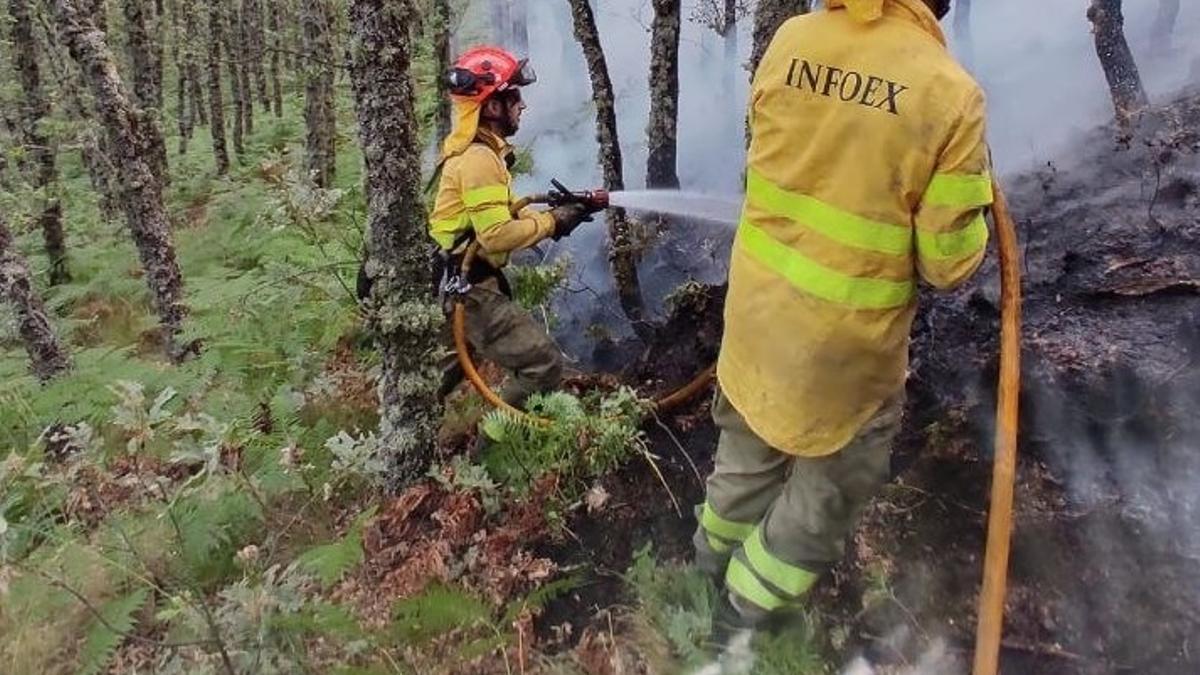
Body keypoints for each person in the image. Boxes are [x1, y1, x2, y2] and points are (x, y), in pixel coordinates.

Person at [695, 0, 992, 644]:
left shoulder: (791, 39)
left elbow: (768, 163)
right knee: (826, 492)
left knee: (742, 460)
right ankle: (739, 618)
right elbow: (946, 265)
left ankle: (704, 568)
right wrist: (976, 204)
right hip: (845, 355)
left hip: (755, 316)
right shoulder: (951, 94)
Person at [430, 47, 593, 408]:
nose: (522, 105)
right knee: (543, 364)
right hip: (469, 291)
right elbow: (496, 234)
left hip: (456, 284)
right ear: (491, 107)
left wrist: (560, 216)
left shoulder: (482, 153)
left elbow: (498, 218)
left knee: (431, 383)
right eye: (514, 96)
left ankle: (407, 451)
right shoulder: (477, 159)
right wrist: (551, 222)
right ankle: (495, 449)